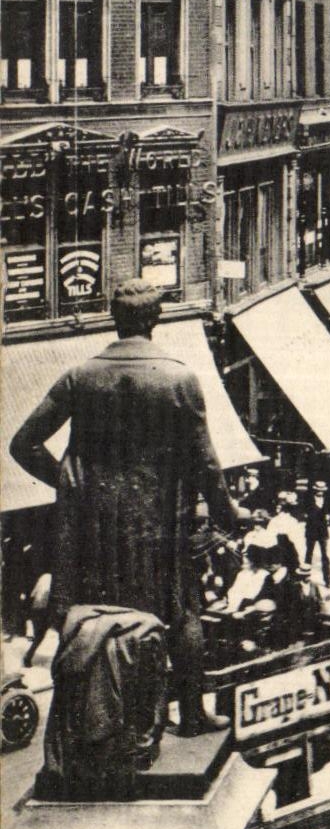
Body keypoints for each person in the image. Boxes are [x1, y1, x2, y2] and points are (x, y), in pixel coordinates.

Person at [9, 278, 239, 737]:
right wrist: (228, 515)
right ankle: (190, 715)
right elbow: (207, 462)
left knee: (92, 620)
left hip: (93, 530)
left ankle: (95, 724)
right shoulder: (179, 378)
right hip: (159, 526)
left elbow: (24, 444)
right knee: (182, 614)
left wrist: (71, 486)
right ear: (156, 319)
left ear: (115, 319)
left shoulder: (80, 376)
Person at [302, 481, 330, 586]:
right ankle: (305, 577)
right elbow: (303, 512)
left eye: (322, 490)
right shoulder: (308, 499)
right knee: (309, 555)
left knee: (325, 555)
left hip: (323, 531)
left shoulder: (328, 500)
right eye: (318, 490)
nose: (320, 492)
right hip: (311, 530)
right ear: (315, 490)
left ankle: (327, 579)